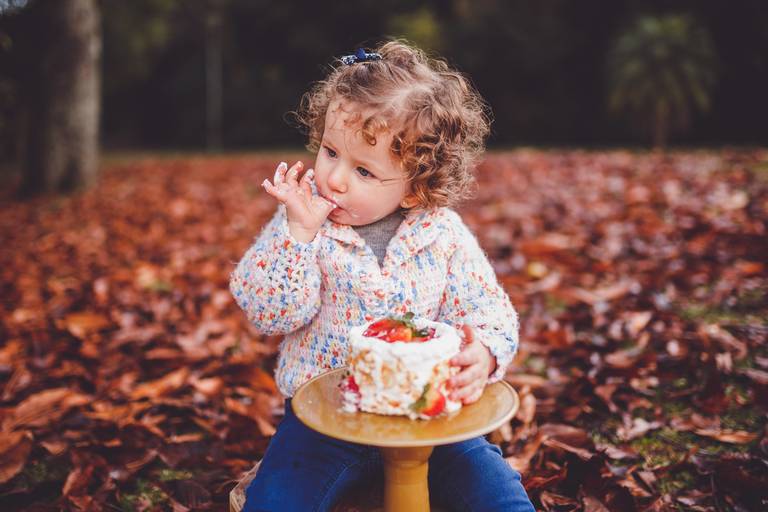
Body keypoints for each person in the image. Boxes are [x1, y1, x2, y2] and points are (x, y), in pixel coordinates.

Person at [229, 40, 534, 512]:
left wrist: (485, 353)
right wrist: (298, 236)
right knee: (275, 501)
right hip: (326, 422)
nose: (335, 178)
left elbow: (488, 310)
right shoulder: (305, 219)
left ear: (416, 188)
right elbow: (272, 314)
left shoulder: (443, 235)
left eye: (365, 172)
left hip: (432, 418)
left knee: (499, 496)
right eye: (330, 151)